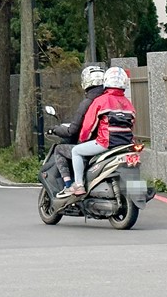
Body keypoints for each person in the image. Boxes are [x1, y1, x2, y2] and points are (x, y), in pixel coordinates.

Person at [57, 66, 135, 198]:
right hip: (125, 144)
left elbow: (88, 126)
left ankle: (78, 185)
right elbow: (131, 124)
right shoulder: (128, 103)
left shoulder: (101, 101)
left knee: (76, 151)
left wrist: (82, 140)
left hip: (105, 143)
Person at [48, 65, 105, 192]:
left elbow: (73, 130)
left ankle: (71, 185)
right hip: (119, 141)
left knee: (62, 149)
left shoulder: (89, 102)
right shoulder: (110, 100)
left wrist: (55, 129)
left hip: (97, 142)